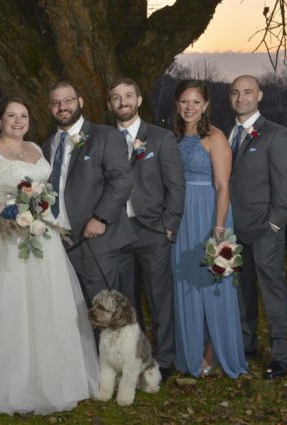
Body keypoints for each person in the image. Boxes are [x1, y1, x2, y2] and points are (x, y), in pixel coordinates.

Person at [0, 96, 99, 414]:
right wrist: (5, 219)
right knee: (3, 310)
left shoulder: (37, 150)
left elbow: (47, 194)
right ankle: (0, 382)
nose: (18, 121)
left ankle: (49, 377)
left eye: (23, 115)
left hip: (41, 240)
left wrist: (40, 214)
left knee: (48, 308)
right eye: (11, 115)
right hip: (3, 242)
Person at [107, 77, 185, 381]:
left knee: (159, 298)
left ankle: (164, 360)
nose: (123, 101)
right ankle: (132, 359)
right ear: (110, 104)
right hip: (117, 232)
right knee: (125, 301)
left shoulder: (161, 137)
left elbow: (176, 186)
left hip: (153, 231)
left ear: (139, 100)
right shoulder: (103, 139)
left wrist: (169, 225)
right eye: (116, 97)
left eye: (129, 95)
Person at [171, 80, 246, 379]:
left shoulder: (215, 137)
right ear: (177, 105)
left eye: (196, 102)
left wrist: (218, 227)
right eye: (184, 102)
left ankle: (215, 352)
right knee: (186, 282)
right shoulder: (173, 138)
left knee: (214, 285)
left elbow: (223, 185)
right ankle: (190, 350)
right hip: (181, 215)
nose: (190, 107)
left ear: (205, 105)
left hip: (210, 214)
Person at [42, 81, 134, 307]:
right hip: (60, 243)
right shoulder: (46, 146)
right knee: (73, 310)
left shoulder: (105, 136)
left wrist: (101, 217)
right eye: (55, 102)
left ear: (80, 102)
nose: (62, 106)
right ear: (49, 108)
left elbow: (122, 180)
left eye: (68, 100)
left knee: (105, 312)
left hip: (98, 242)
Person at [228, 75, 287, 379]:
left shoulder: (276, 134)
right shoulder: (228, 133)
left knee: (274, 293)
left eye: (247, 92)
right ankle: (247, 345)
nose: (241, 97)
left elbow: (285, 187)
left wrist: (273, 224)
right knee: (242, 293)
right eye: (235, 93)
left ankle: (282, 356)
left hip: (265, 229)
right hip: (235, 230)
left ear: (260, 95)